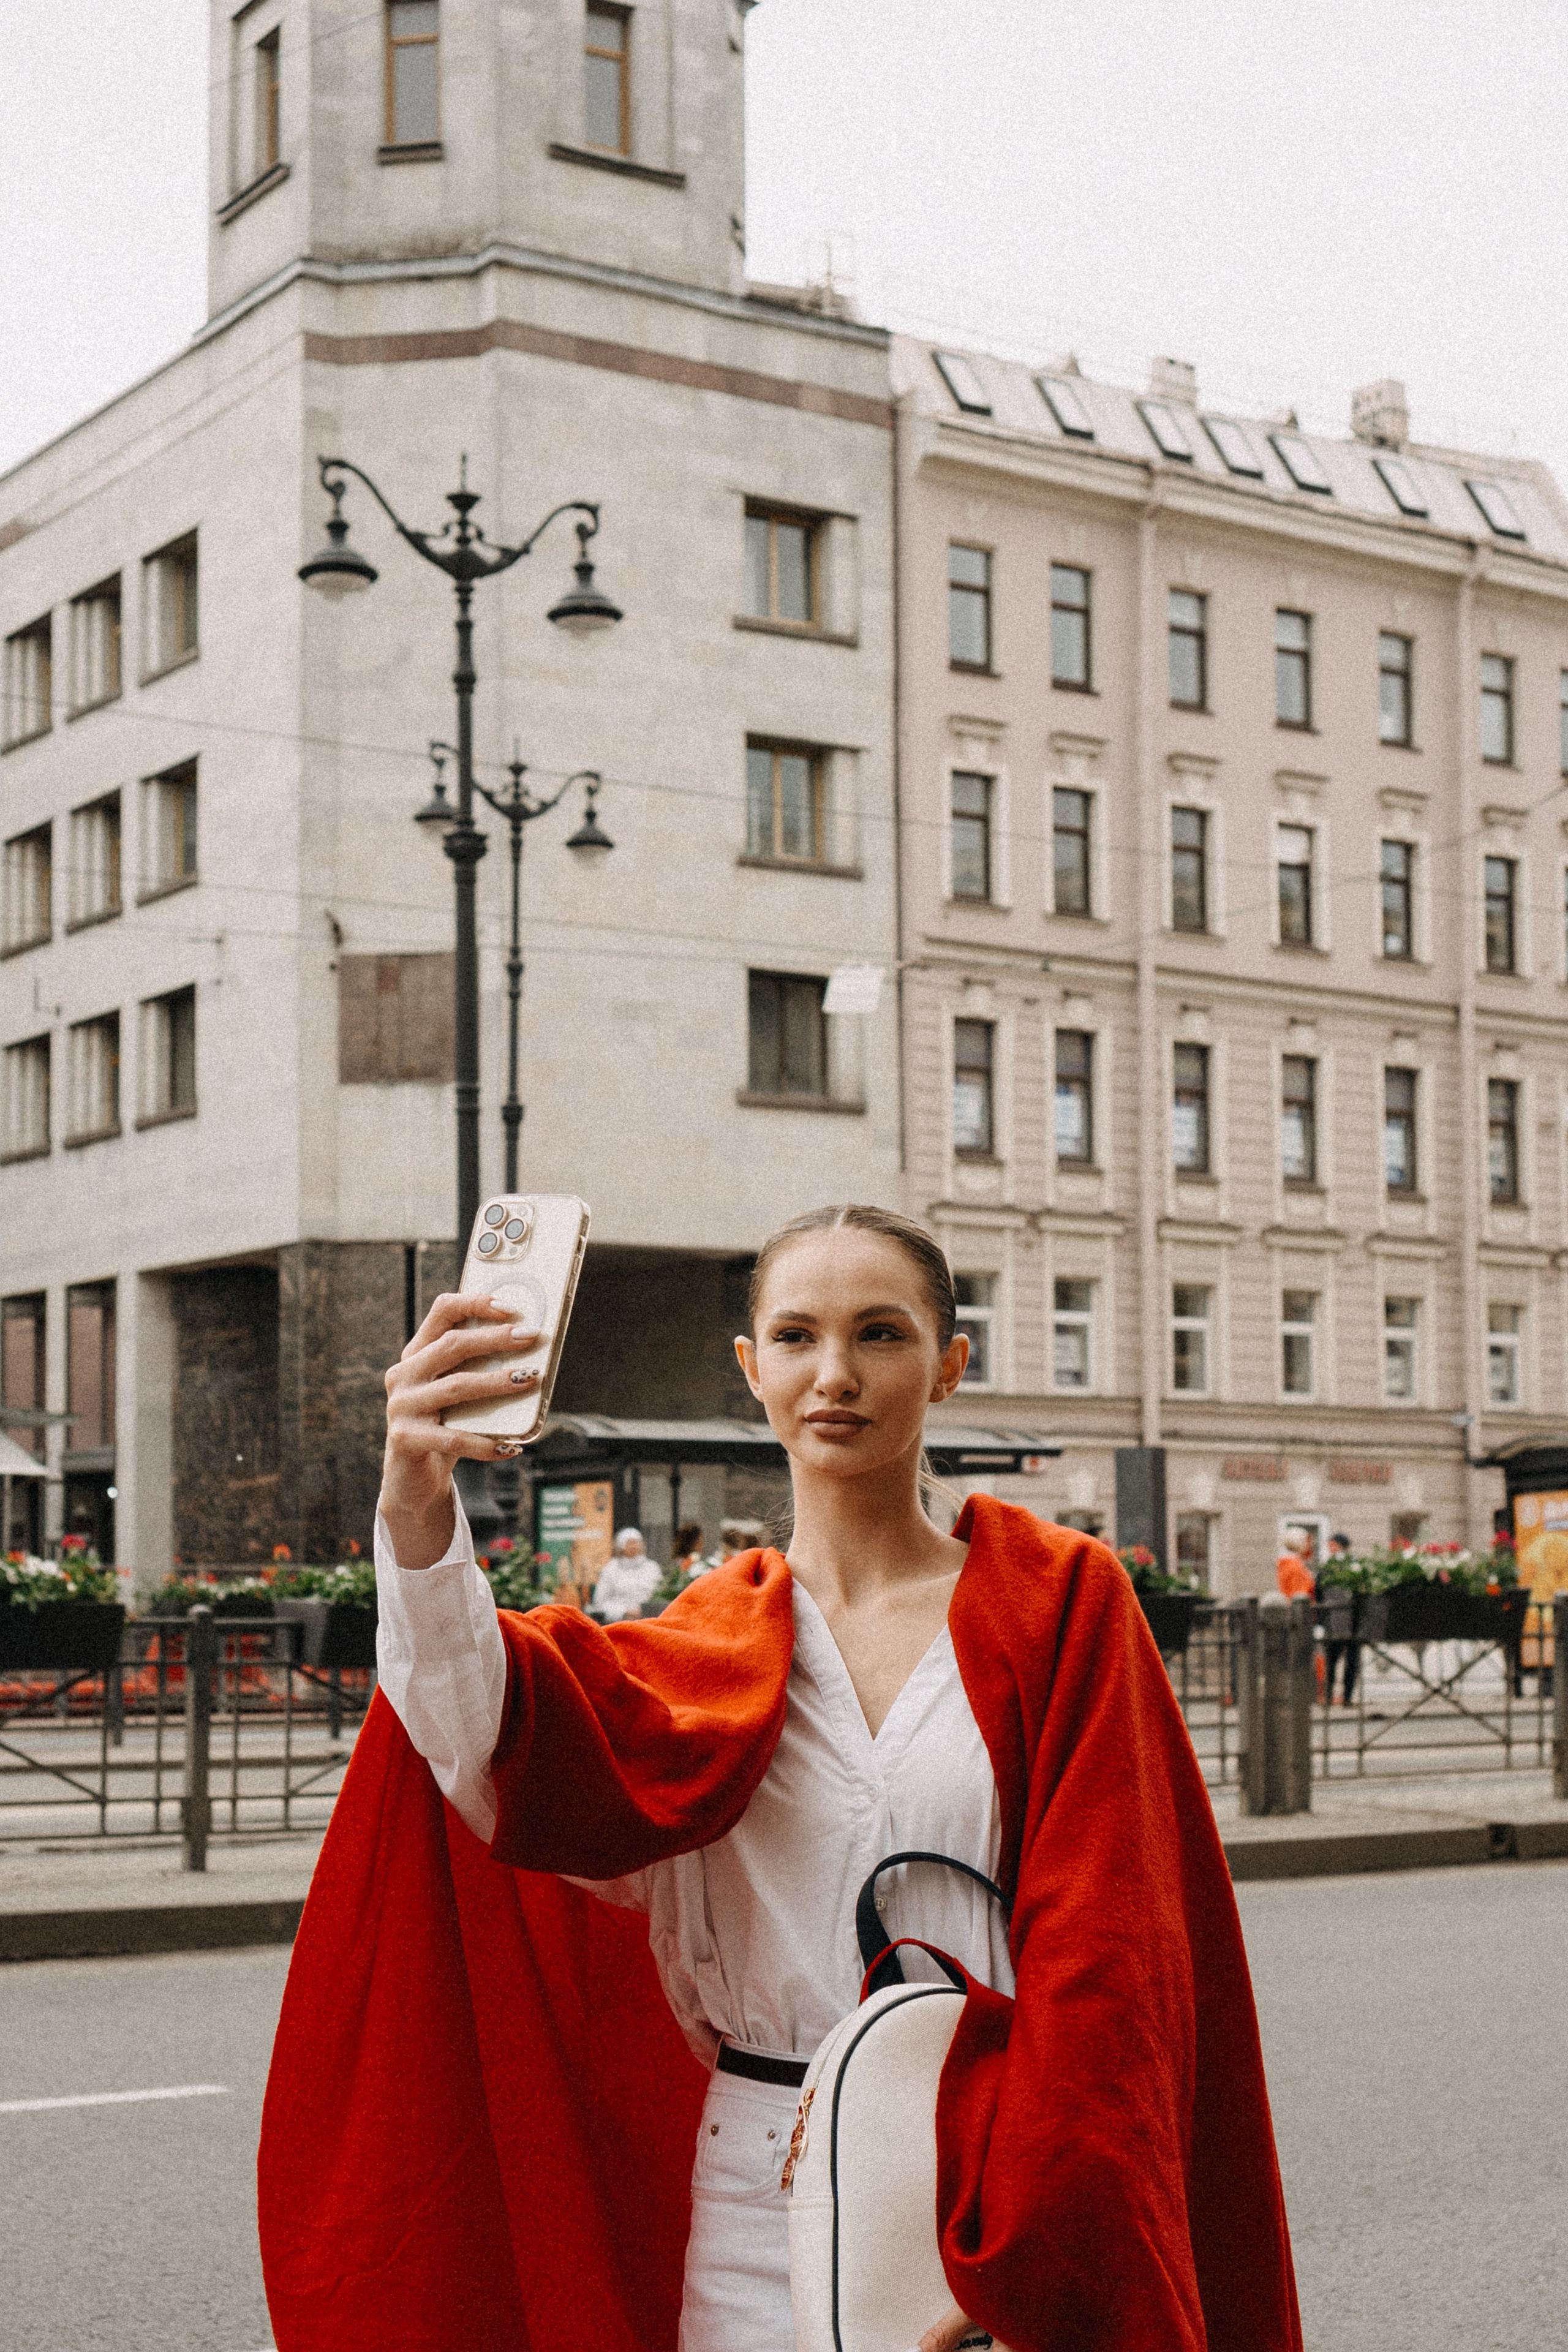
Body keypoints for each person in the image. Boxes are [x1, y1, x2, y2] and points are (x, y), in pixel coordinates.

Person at [260, 1204, 1301, 2352]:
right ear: (752, 1371)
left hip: (998, 2169)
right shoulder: (700, 1643)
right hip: (759, 2178)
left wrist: (1040, 2238)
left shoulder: (1061, 1604)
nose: (836, 1374)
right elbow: (478, 1728)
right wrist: (416, 1494)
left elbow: (1117, 1963)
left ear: (951, 1366)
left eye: (883, 1335)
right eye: (798, 1337)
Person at [1320, 1530, 1362, 1705]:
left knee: (1332, 1660)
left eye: (1331, 1545)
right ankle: (1347, 1698)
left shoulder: (1329, 1567)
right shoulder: (1355, 1565)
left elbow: (1319, 1590)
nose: (1329, 1548)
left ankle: (1329, 1696)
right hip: (1353, 1619)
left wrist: (1321, 1620)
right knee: (1351, 1661)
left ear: (1337, 1545)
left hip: (1334, 1618)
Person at [592, 1525, 664, 1621]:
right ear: (621, 1546)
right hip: (621, 1622)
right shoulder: (611, 1569)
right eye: (629, 1543)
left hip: (649, 1621)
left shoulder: (652, 1567)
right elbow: (600, 1602)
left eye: (636, 1543)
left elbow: (661, 1596)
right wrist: (624, 1611)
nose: (633, 1546)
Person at [1275, 1526, 1317, 1600]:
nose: (1310, 1546)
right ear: (1300, 1543)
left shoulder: (1286, 1563)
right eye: (1308, 1542)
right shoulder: (1295, 1566)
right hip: (1301, 1609)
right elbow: (1300, 1595)